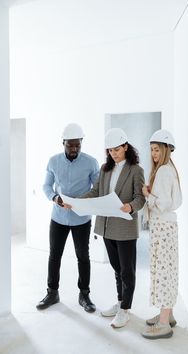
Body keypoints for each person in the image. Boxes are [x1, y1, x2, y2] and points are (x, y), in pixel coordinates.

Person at [65, 128, 145, 328]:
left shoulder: (136, 170)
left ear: (126, 147)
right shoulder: (105, 168)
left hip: (125, 226)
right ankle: (120, 302)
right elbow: (96, 192)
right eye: (110, 150)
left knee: (127, 270)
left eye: (117, 149)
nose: (113, 153)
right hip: (108, 226)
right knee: (117, 268)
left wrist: (131, 206)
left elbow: (140, 198)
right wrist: (75, 202)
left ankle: (125, 309)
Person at [36, 123, 99, 313]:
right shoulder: (53, 161)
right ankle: (52, 292)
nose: (74, 149)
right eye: (69, 145)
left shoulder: (91, 162)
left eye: (77, 145)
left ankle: (84, 295)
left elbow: (96, 189)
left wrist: (82, 201)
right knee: (54, 255)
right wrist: (55, 198)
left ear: (81, 142)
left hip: (82, 219)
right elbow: (46, 186)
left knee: (83, 257)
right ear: (62, 142)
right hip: (59, 218)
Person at [141, 129, 182, 339]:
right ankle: (168, 315)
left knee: (164, 272)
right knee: (167, 270)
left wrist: (148, 195)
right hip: (166, 228)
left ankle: (164, 323)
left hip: (163, 228)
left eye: (157, 150)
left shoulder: (164, 171)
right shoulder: (167, 169)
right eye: (151, 150)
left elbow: (163, 204)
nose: (154, 154)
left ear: (166, 150)